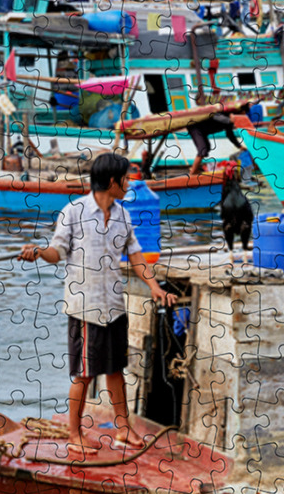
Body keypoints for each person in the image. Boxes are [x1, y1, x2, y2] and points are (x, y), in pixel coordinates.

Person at [19, 153, 175, 454]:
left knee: (116, 370)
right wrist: (38, 252)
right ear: (113, 182)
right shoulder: (74, 212)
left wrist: (153, 286)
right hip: (85, 308)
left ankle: (123, 429)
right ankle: (74, 435)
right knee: (84, 373)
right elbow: (57, 251)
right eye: (126, 178)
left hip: (114, 305)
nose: (129, 184)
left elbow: (136, 255)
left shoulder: (123, 215)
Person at [187, 109, 246, 177]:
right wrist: (229, 120)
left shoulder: (230, 123)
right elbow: (215, 116)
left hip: (203, 131)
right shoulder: (223, 113)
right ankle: (192, 173)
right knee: (203, 149)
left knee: (207, 147)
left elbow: (230, 135)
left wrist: (240, 146)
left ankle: (194, 169)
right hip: (195, 127)